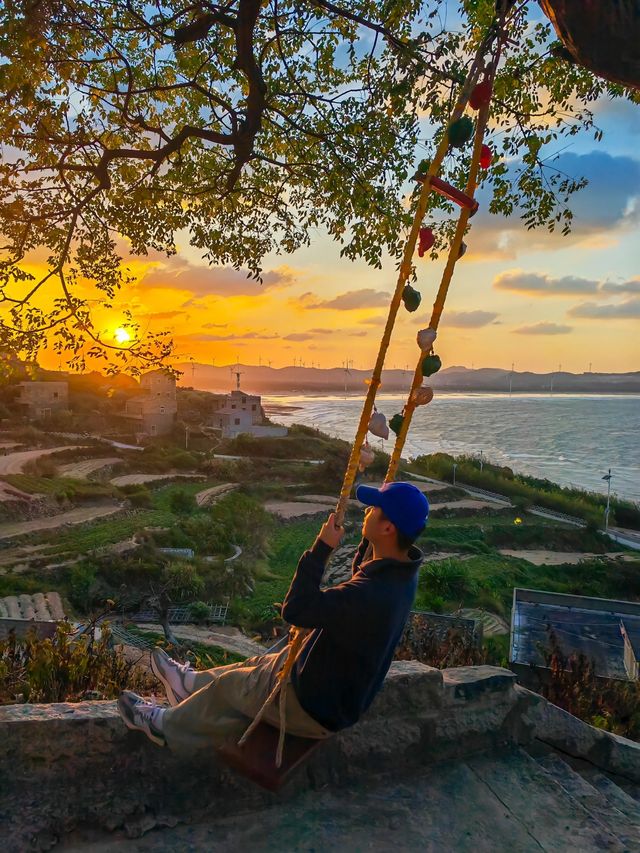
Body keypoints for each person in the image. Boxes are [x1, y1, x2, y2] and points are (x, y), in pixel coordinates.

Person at [117, 481, 429, 751]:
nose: (366, 511)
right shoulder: (402, 572)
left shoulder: (369, 594)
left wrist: (321, 548)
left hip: (311, 706)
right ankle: (189, 683)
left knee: (230, 687)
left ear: (388, 528)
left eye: (373, 509)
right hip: (333, 694)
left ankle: (163, 726)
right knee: (254, 665)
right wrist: (366, 540)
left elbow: (296, 609)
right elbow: (363, 568)